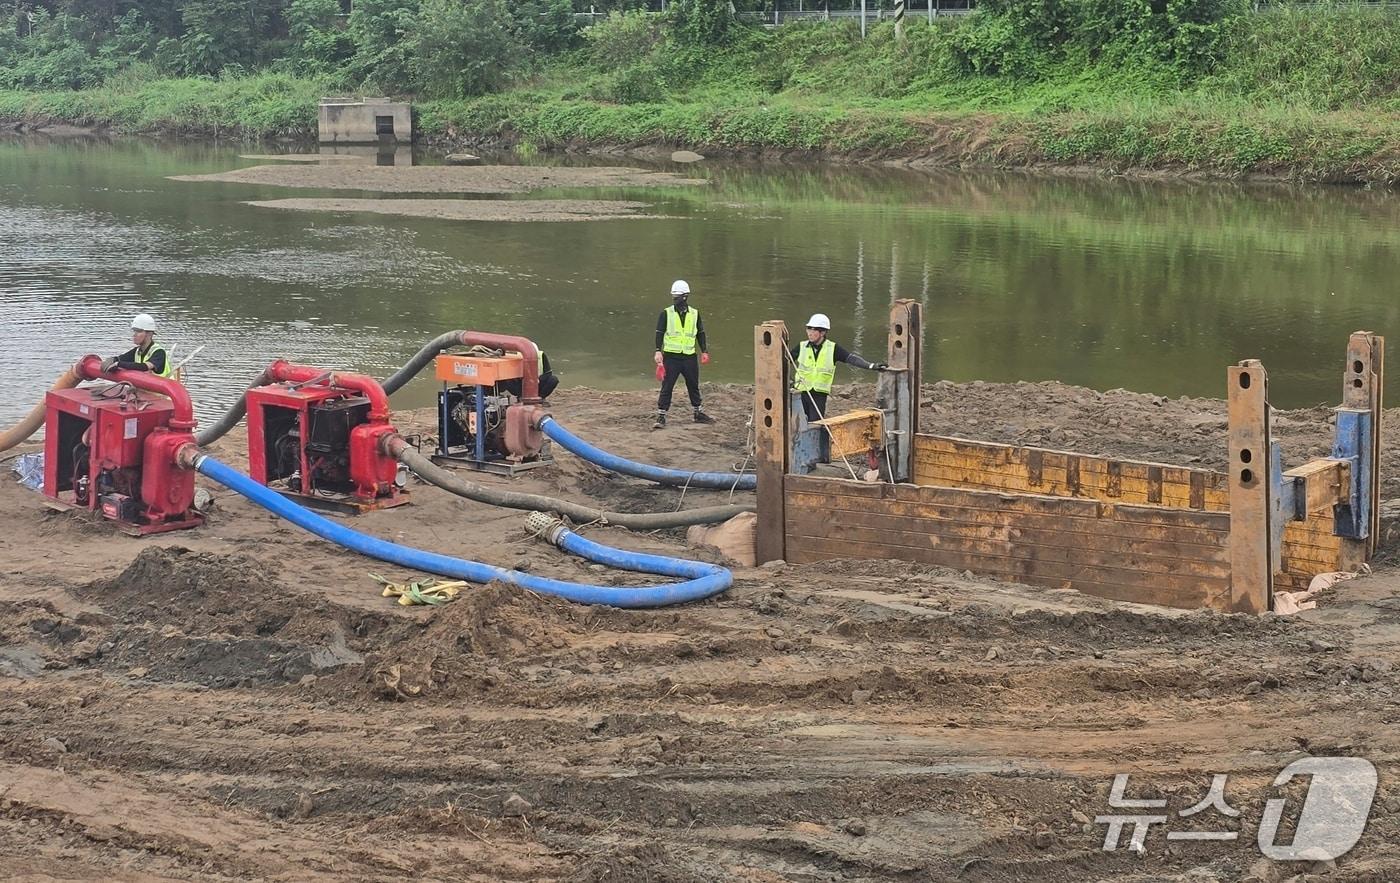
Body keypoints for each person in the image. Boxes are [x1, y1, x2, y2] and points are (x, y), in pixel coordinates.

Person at [791, 313, 887, 422]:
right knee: (798, 424)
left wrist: (871, 366)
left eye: (813, 330)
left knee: (815, 424)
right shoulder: (801, 346)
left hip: (819, 395)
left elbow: (851, 359)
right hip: (801, 393)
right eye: (808, 329)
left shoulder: (832, 348)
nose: (810, 333)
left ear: (822, 332)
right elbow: (784, 360)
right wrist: (789, 381)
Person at [652, 280, 714, 429]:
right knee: (667, 386)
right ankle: (661, 415)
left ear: (685, 297)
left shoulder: (694, 313)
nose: (675, 300)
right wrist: (658, 351)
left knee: (693, 385)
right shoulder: (666, 313)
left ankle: (698, 412)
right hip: (671, 357)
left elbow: (700, 333)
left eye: (678, 297)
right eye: (674, 297)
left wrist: (704, 350)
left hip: (689, 356)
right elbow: (659, 333)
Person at [101, 313, 172, 377]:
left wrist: (118, 364)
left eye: (138, 331)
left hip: (164, 390)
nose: (134, 334)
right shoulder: (137, 351)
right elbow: (121, 358)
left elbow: (144, 367)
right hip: (147, 389)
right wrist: (112, 360)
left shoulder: (159, 352)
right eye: (134, 331)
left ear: (149, 334)